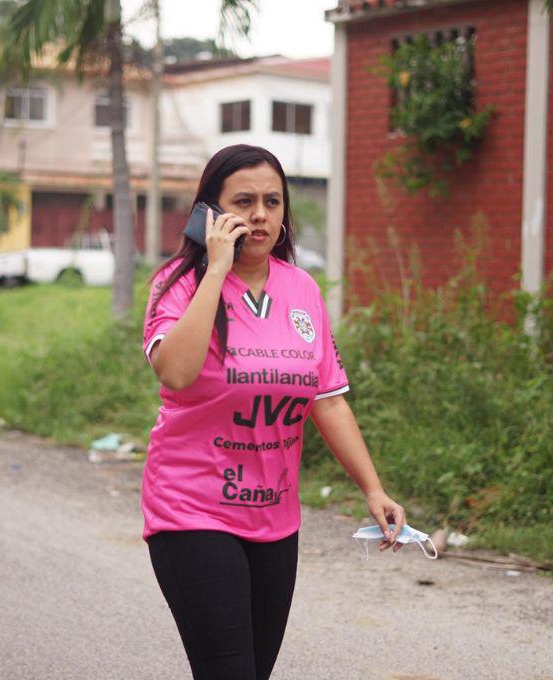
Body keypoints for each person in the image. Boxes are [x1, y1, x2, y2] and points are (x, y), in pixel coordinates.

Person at [142, 144, 406, 680]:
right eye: (243, 201)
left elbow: (326, 398)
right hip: (192, 510)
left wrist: (373, 489)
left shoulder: (302, 289)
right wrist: (215, 270)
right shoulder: (177, 284)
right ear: (209, 211)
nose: (260, 215)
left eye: (273, 202)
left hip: (274, 518)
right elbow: (175, 372)